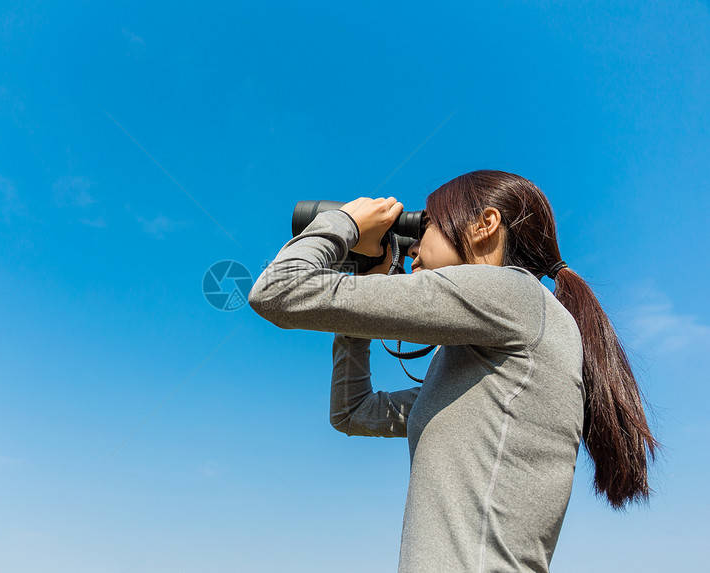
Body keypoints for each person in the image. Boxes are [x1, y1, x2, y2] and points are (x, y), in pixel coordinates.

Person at [248, 170, 658, 573]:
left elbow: (278, 289)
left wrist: (347, 223)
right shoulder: (490, 361)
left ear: (484, 226)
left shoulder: (513, 294)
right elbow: (353, 412)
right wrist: (364, 280)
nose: (412, 250)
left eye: (425, 226)